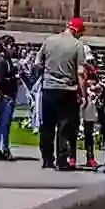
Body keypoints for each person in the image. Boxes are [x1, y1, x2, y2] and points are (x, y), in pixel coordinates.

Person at [38, 17, 89, 170]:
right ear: (77, 30)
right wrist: (83, 93)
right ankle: (62, 160)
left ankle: (47, 159)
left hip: (48, 88)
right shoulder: (77, 46)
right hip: (67, 90)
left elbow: (37, 62)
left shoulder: (49, 41)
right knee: (65, 126)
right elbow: (80, 72)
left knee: (47, 125)